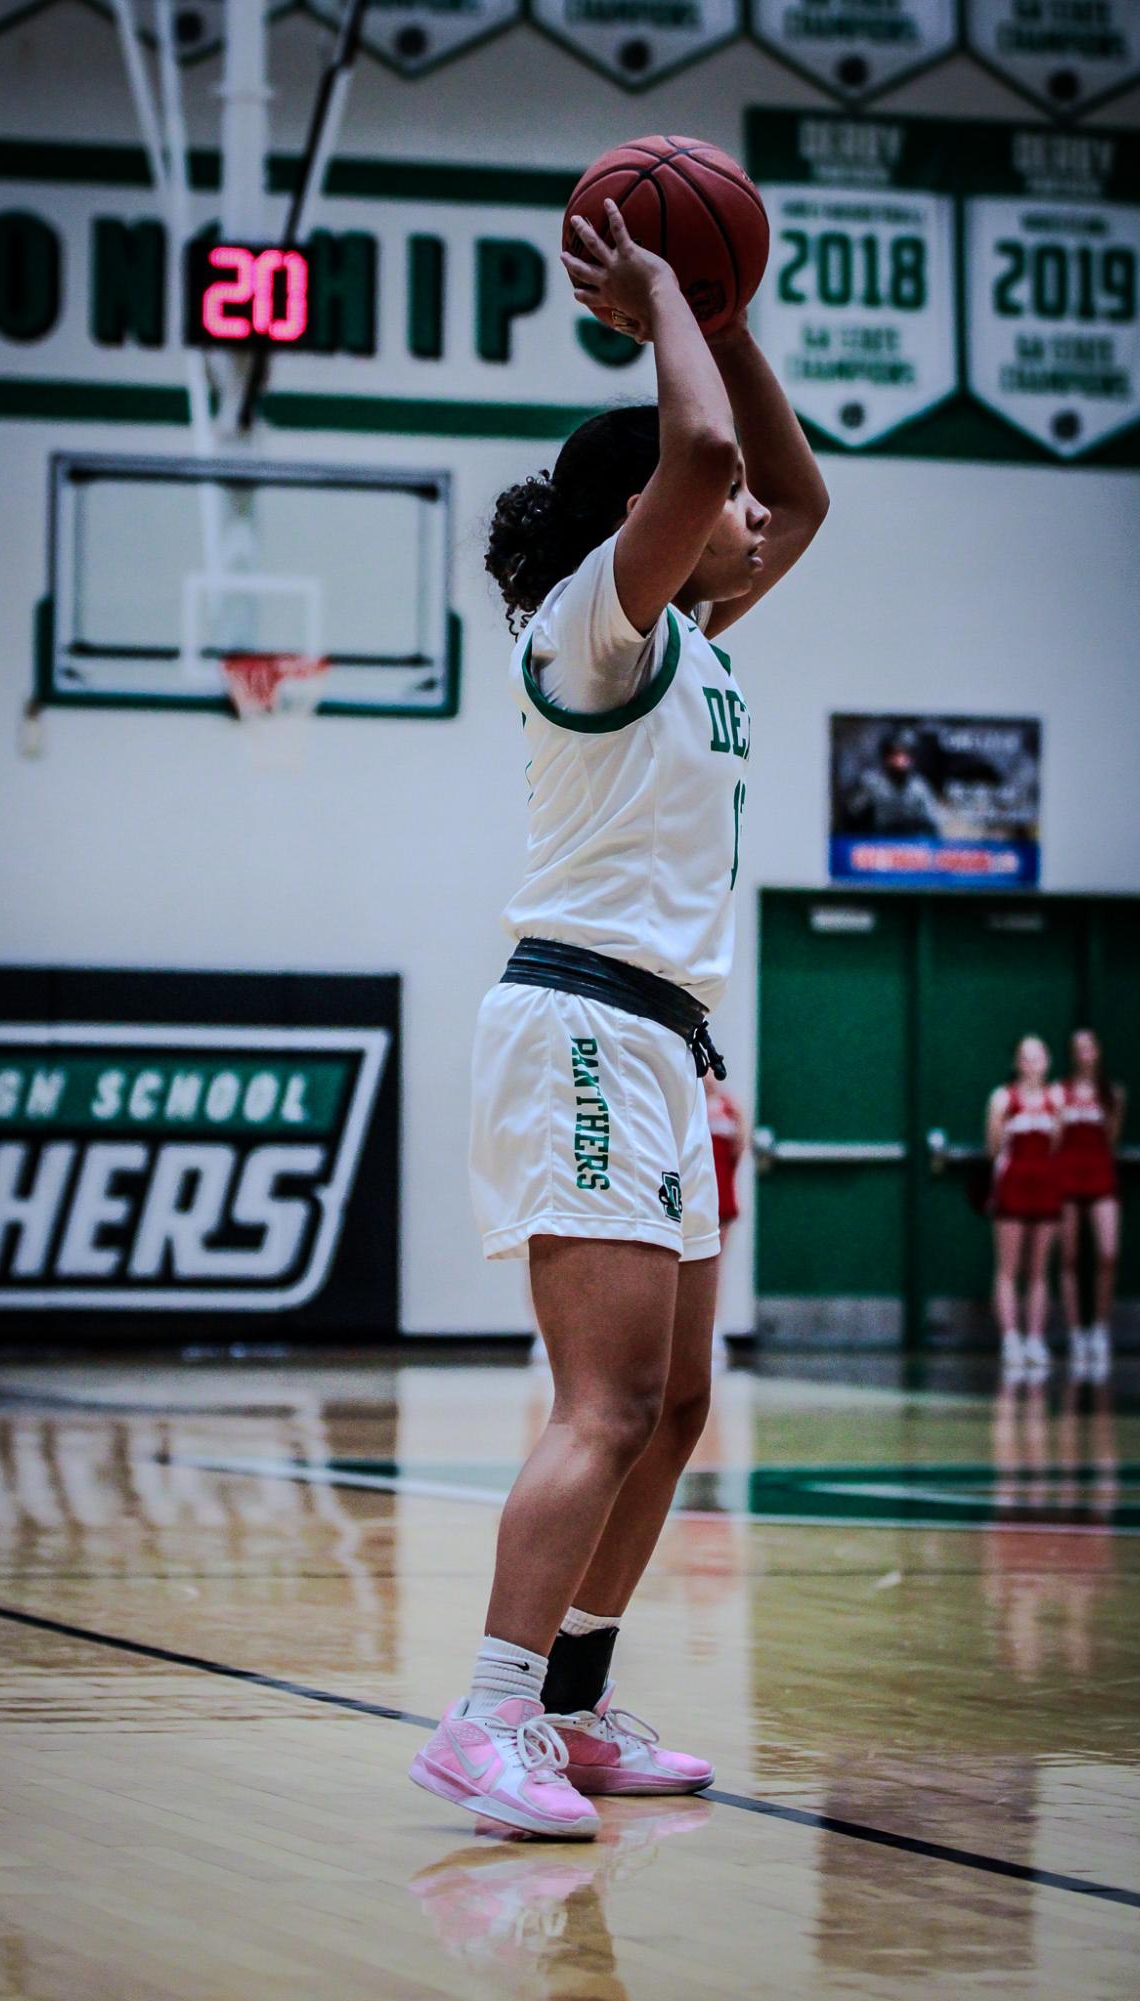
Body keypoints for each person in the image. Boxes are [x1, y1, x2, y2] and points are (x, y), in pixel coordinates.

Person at [407, 199, 828, 1838]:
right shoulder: (590, 629)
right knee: (599, 1405)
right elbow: (706, 449)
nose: (741, 513)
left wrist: (723, 317)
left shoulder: (700, 634)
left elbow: (790, 484)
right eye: (701, 498)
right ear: (643, 519)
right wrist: (664, 292)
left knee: (675, 1409)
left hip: (666, 1044)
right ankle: (483, 1716)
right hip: (578, 1025)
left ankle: (568, 1710)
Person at [986, 1036, 1064, 1383]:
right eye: (1025, 1058)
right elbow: (993, 1147)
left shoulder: (1056, 1099)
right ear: (1017, 1062)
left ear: (1047, 1062)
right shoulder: (1003, 1098)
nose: (1031, 1065)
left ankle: (1034, 1338)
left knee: (1039, 1268)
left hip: (1045, 1185)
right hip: (1013, 1184)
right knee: (1008, 1267)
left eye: (1038, 1058)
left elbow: (1059, 1142)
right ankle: (1010, 1339)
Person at [1057, 1028, 1125, 1383]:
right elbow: (1054, 1137)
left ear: (1098, 1051)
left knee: (1108, 1252)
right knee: (1068, 1257)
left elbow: (1112, 1137)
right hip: (1067, 1177)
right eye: (1078, 1048)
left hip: (1100, 1176)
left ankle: (1099, 1326)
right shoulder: (1061, 1092)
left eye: (1090, 1047)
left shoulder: (1112, 1094)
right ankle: (1076, 1333)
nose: (1085, 1053)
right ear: (1072, 1053)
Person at [704, 1073, 748, 1349]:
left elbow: (740, 1148)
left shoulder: (730, 1108)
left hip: (722, 1198)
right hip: (694, 1197)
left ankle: (713, 1328)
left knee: (714, 1265)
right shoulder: (687, 1103)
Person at [844, 726, 944, 838]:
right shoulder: (871, 782)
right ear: (885, 757)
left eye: (904, 756)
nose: (900, 761)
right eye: (895, 755)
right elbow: (852, 815)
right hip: (876, 841)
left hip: (909, 843)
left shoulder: (919, 786)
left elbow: (933, 823)